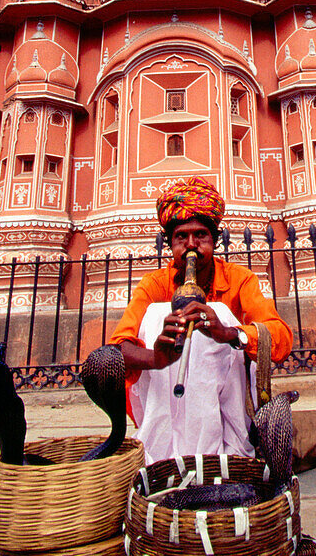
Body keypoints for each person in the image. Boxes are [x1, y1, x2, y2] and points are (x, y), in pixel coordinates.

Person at [110, 176, 293, 464]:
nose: (191, 245)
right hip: (167, 393)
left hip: (228, 398)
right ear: (170, 243)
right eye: (181, 237)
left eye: (201, 236)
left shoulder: (240, 279)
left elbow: (280, 339)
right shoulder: (154, 284)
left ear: (215, 241)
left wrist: (229, 333)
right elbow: (116, 351)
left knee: (219, 312)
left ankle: (226, 451)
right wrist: (156, 358)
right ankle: (163, 453)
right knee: (159, 314)